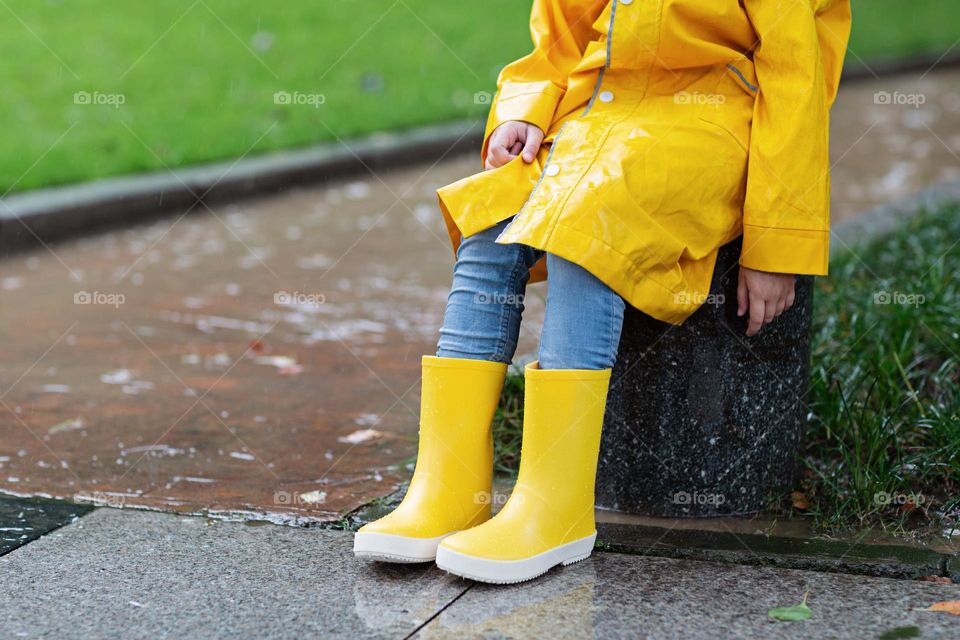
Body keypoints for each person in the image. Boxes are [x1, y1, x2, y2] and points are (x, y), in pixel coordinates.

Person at [355, 0, 851, 584]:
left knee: (589, 223)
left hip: (710, 125)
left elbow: (796, 80)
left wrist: (778, 246)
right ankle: (448, 488)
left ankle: (555, 507)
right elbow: (558, 42)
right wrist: (528, 112)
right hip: (595, 117)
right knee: (490, 215)